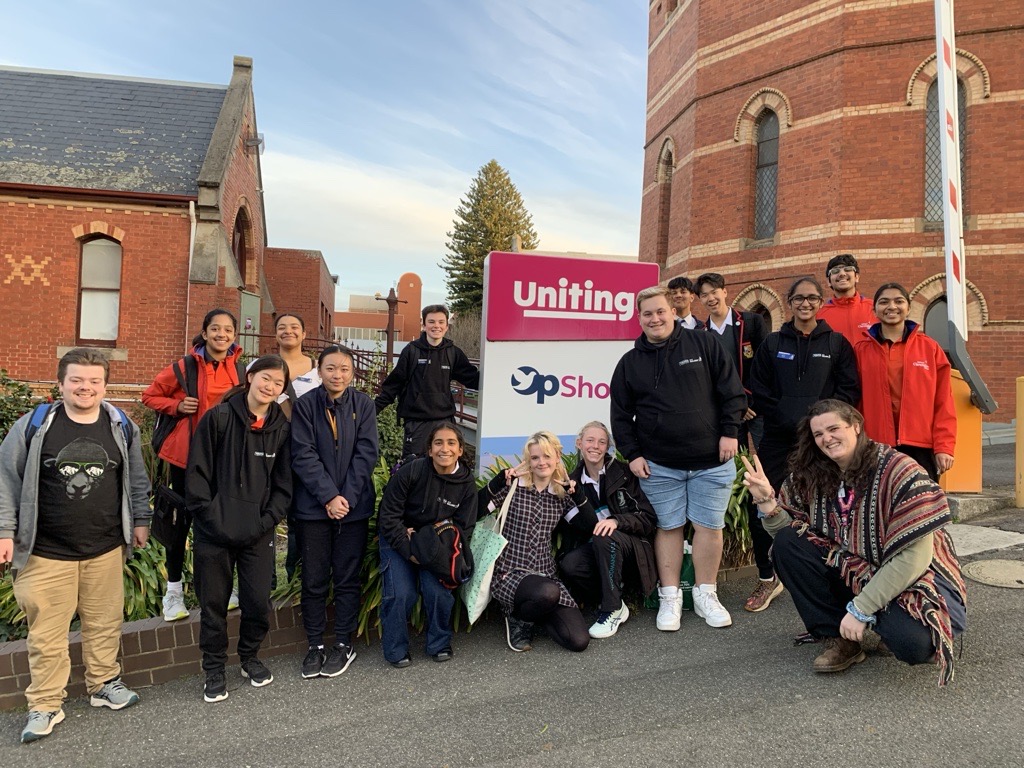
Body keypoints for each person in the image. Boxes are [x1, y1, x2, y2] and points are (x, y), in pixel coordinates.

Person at [741, 399, 966, 685]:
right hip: (855, 567)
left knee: (915, 645)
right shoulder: (811, 474)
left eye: (834, 428)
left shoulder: (898, 471)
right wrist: (766, 503)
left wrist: (861, 609)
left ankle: (883, 619)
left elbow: (915, 557)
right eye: (818, 434)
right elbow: (793, 540)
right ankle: (840, 639)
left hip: (914, 575)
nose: (826, 439)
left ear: (856, 426)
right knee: (787, 543)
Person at [0, 349, 151, 743]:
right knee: (46, 633)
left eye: (94, 381)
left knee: (104, 622)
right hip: (45, 551)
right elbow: (5, 480)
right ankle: (46, 704)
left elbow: (135, 477)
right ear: (61, 383)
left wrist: (140, 520)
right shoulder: (34, 426)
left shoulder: (120, 425)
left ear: (105, 384)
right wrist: (4, 531)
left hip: (104, 548)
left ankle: (104, 683)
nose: (86, 388)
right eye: (77, 380)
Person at [610, 286, 747, 632]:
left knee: (709, 527)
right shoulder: (630, 363)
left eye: (660, 311)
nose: (655, 319)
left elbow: (731, 392)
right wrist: (634, 454)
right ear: (638, 318)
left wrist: (730, 432)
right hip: (659, 465)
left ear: (672, 310)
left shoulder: (704, 345)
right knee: (668, 527)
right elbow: (621, 416)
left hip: (711, 461)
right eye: (647, 314)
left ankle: (706, 594)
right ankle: (670, 596)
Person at [747, 276, 861, 612]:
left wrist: (820, 424)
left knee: (827, 507)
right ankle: (768, 577)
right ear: (790, 301)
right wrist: (787, 418)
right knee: (761, 503)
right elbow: (760, 388)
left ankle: (824, 573)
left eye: (812, 298)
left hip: (823, 442)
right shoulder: (771, 343)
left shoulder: (837, 344)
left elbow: (849, 391)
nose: (805, 304)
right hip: (779, 439)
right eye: (799, 298)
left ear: (820, 301)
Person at [187, 355, 293, 703]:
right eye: (265, 378)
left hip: (257, 533)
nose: (270, 386)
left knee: (257, 601)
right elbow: (197, 477)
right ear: (250, 376)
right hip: (213, 531)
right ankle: (214, 668)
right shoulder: (217, 417)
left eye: (278, 383)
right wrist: (210, 519)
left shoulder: (282, 429)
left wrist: (266, 522)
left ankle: (250, 657)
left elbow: (283, 487)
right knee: (214, 604)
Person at [142, 308, 245, 622]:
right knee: (180, 523)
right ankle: (173, 592)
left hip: (225, 460)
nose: (221, 335)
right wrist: (176, 405)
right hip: (187, 459)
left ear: (234, 336)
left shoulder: (241, 372)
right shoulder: (184, 367)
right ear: (205, 331)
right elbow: (150, 395)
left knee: (219, 523)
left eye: (227, 330)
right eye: (215, 329)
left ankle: (221, 587)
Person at [291, 345, 379, 679]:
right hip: (313, 508)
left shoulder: (364, 405)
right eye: (330, 368)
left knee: (346, 578)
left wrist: (345, 498)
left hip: (353, 509)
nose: (337, 374)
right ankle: (314, 645)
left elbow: (365, 454)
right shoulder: (304, 406)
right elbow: (303, 454)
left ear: (352, 372)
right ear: (319, 369)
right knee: (313, 579)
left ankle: (344, 643)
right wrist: (329, 496)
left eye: (344, 369)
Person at [481, 431, 592, 653]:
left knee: (579, 641)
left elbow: (588, 526)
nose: (541, 462)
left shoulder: (560, 495)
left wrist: (578, 494)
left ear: (557, 458)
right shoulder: (513, 486)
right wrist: (495, 483)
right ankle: (518, 618)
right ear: (528, 461)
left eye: (547, 456)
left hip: (545, 575)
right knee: (547, 593)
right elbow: (473, 511)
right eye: (535, 457)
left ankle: (538, 611)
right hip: (510, 572)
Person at [377, 423, 477, 667]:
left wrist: (433, 548)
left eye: (451, 443)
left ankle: (439, 643)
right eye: (438, 443)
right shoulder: (412, 472)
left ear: (461, 450)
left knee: (438, 592)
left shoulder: (466, 484)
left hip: (438, 547)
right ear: (430, 450)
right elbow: (388, 517)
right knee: (401, 593)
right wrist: (410, 550)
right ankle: (395, 649)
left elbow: (464, 528)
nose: (445, 448)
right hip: (400, 538)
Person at [559, 422, 658, 639]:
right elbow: (573, 529)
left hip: (633, 548)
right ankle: (616, 599)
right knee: (570, 564)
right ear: (579, 444)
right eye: (590, 440)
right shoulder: (573, 482)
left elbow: (648, 519)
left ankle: (611, 609)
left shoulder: (623, 473)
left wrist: (616, 521)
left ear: (608, 447)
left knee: (604, 534)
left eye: (602, 442)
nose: (595, 446)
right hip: (600, 551)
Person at [854, 283, 956, 481]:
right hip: (874, 445)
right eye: (884, 302)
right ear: (874, 310)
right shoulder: (860, 351)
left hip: (920, 445)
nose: (892, 306)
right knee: (878, 508)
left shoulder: (930, 348)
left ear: (908, 308)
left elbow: (944, 402)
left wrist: (944, 446)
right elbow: (854, 403)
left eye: (899, 301)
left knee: (921, 507)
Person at [374, 304, 480, 457]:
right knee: (414, 471)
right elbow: (393, 385)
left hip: (446, 423)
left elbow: (472, 379)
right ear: (423, 325)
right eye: (431, 322)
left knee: (445, 471)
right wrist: (371, 411)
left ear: (446, 326)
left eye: (441, 322)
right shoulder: (411, 351)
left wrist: (498, 376)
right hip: (417, 424)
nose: (436, 326)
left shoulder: (453, 353)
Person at [694, 272, 768, 449]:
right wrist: (736, 406)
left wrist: (747, 401)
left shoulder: (751, 321)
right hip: (727, 411)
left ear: (724, 292)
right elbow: (708, 378)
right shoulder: (700, 334)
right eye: (704, 295)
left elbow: (765, 365)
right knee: (736, 462)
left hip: (757, 406)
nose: (710, 298)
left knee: (766, 456)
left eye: (714, 292)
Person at [817, 253, 876, 345]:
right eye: (835, 271)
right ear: (828, 281)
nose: (842, 274)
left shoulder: (875, 309)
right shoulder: (819, 315)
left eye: (848, 269)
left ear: (857, 277)